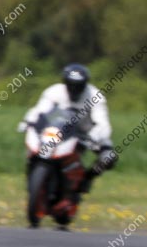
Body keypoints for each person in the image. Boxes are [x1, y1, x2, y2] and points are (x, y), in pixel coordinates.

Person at [18, 63, 117, 198]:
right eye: (70, 84)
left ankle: (87, 179)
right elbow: (39, 110)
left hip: (85, 134)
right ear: (65, 82)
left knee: (108, 157)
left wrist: (94, 137)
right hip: (58, 130)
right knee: (35, 149)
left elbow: (103, 123)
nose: (74, 89)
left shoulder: (95, 96)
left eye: (78, 85)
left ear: (85, 84)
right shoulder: (54, 91)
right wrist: (28, 122)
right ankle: (33, 178)